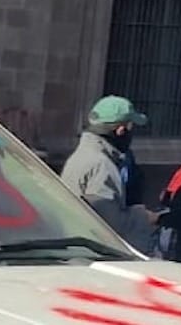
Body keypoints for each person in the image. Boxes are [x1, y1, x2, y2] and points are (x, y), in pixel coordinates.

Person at [60, 95, 157, 250]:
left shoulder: (82, 155)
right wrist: (143, 216)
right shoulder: (101, 165)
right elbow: (108, 225)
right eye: (131, 126)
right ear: (120, 130)